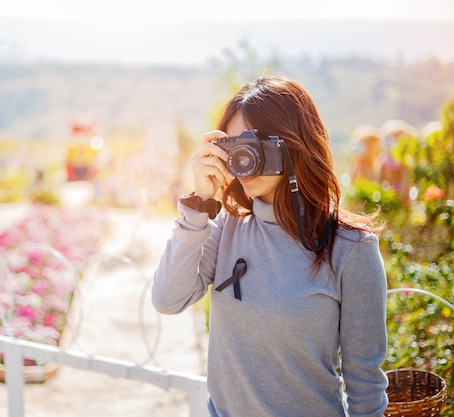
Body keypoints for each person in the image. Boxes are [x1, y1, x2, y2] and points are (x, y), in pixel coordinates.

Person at [152, 75, 388, 417]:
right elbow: (167, 300)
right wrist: (200, 204)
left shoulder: (351, 248)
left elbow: (365, 384)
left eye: (255, 143)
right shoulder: (226, 227)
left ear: (294, 144)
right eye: (234, 145)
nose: (244, 158)